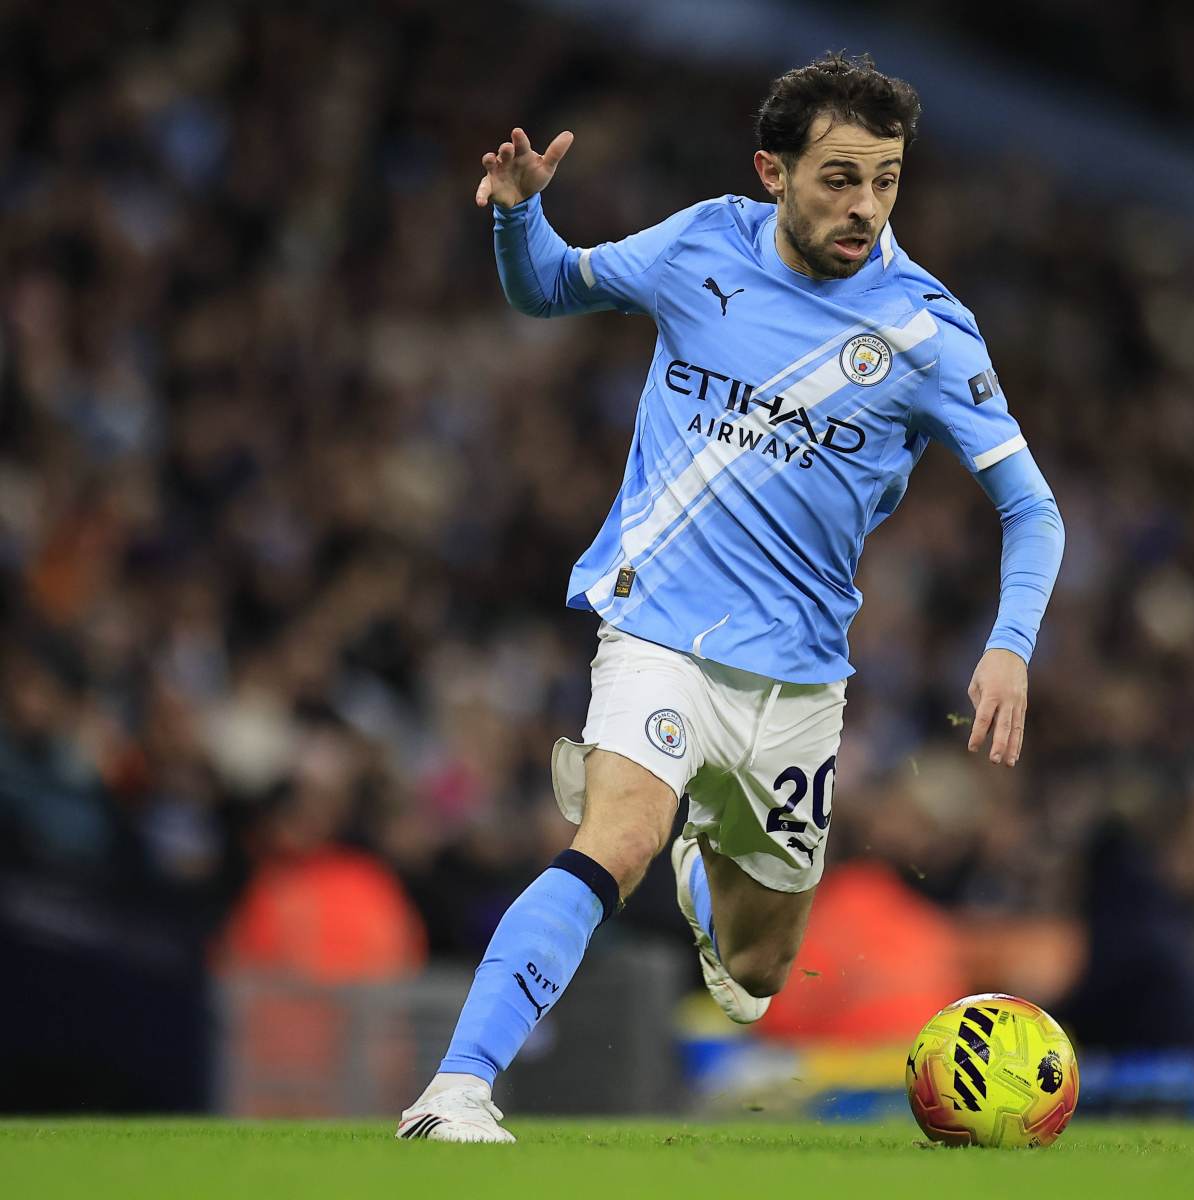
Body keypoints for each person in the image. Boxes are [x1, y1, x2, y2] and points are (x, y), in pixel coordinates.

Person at [397, 52, 1064, 1142]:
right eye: (839, 178)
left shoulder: (927, 332)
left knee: (756, 974)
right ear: (773, 171)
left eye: (886, 180)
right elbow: (548, 286)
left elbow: (1032, 508)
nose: (865, 207)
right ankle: (457, 1089)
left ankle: (703, 862)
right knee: (616, 840)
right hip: (657, 624)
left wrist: (1010, 643)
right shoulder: (701, 243)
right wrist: (519, 216)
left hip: (797, 680)